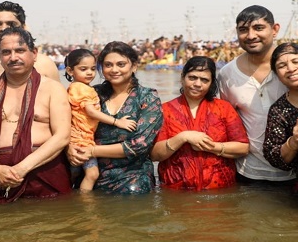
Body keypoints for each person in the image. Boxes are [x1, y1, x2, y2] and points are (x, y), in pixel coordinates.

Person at [0, 27, 72, 202]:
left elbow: (62, 136)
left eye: (20, 51)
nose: (13, 57)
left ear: (34, 53)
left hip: (44, 176)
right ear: (0, 56)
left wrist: (21, 169)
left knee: (54, 227)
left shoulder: (52, 89)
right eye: (6, 52)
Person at [67, 42, 163, 194]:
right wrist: (69, 148)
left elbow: (139, 145)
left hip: (131, 177)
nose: (114, 70)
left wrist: (92, 151)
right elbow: (68, 121)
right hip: (90, 171)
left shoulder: (147, 98)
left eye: (121, 64)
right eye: (108, 65)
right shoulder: (93, 93)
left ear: (134, 66)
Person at [217, 5, 291, 186]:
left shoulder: (295, 68)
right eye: (243, 30)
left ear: (275, 30)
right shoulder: (227, 74)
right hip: (248, 172)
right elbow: (224, 121)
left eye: (258, 28)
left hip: (296, 171)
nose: (250, 36)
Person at [150, 56, 248, 190]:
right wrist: (183, 137)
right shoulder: (165, 110)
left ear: (211, 83)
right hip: (175, 192)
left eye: (204, 80)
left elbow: (243, 147)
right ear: (182, 78)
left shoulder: (223, 108)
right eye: (192, 77)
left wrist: (212, 147)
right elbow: (154, 155)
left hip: (219, 190)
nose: (197, 84)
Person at [64, 48, 137, 191]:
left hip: (82, 139)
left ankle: (72, 202)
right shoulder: (80, 89)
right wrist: (117, 122)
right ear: (70, 71)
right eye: (83, 69)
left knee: (73, 175)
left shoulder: (83, 88)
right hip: (81, 141)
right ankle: (86, 206)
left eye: (93, 68)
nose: (90, 73)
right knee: (91, 174)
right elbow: (91, 112)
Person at [262, 43, 298, 198]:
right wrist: (293, 142)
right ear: (276, 74)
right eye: (282, 65)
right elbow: (273, 155)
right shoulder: (279, 110)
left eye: (296, 61)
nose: (291, 69)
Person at [0, 0, 60, 87]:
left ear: (24, 27)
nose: (3, 28)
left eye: (11, 24)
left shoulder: (45, 65)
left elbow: (58, 102)